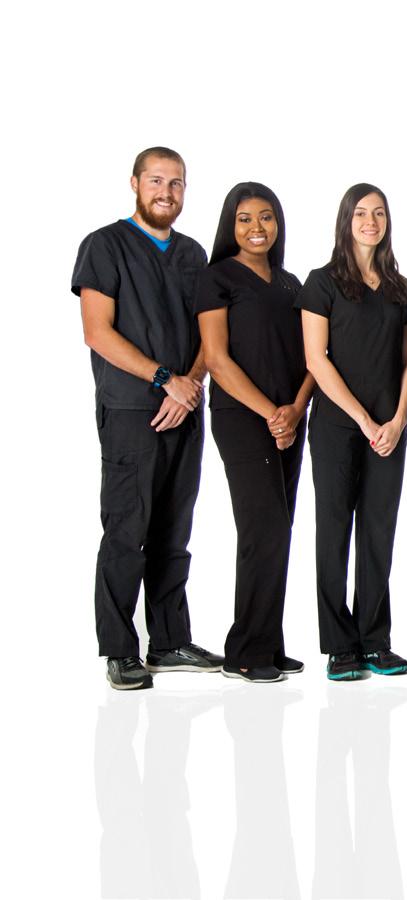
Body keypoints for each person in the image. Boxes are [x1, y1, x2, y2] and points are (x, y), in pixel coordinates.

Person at [73, 147, 224, 690]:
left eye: (176, 182)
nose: (167, 192)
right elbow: (97, 331)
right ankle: (120, 650)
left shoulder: (193, 254)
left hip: (185, 409)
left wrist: (189, 387)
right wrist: (165, 379)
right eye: (156, 180)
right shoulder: (105, 245)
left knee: (174, 530)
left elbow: (211, 336)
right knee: (126, 531)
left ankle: (169, 641)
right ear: (135, 183)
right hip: (131, 410)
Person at [298, 184, 407, 681]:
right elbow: (316, 359)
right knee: (334, 530)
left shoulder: (401, 287)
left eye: (379, 213)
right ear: (346, 220)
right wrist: (364, 420)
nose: (371, 221)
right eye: (362, 213)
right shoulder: (321, 282)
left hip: (390, 427)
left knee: (378, 530)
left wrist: (398, 419)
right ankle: (339, 645)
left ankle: (374, 639)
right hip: (337, 427)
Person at [198, 182, 314, 683]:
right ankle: (244, 653)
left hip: (290, 418)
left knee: (279, 529)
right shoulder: (217, 278)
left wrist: (295, 409)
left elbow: (313, 356)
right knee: (262, 529)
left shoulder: (291, 284)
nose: (256, 227)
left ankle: (268, 642)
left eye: (266, 217)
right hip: (243, 419)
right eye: (244, 219)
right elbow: (216, 359)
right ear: (231, 226)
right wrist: (271, 413)